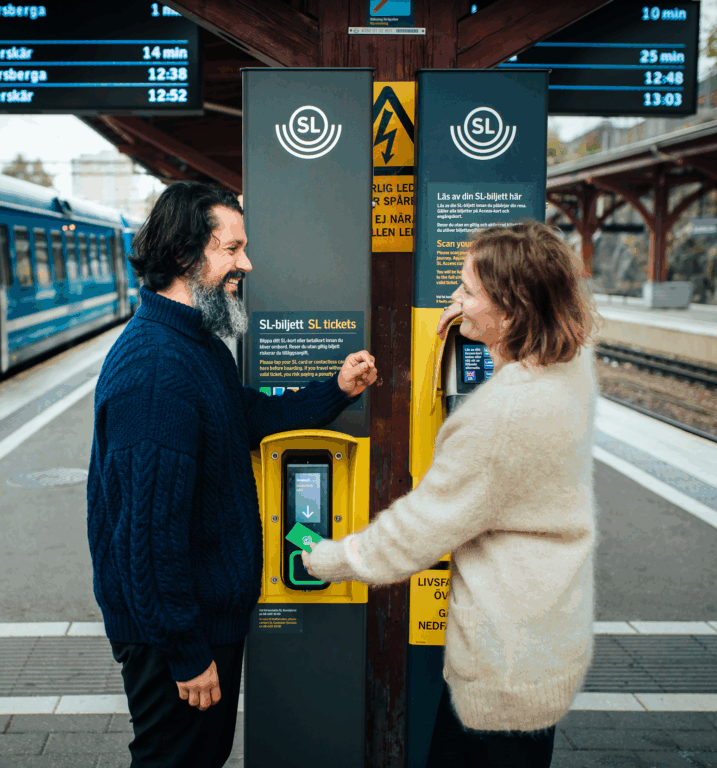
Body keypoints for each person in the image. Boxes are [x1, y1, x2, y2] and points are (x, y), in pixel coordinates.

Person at [87, 181, 377, 768]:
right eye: (231, 249)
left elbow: (246, 418)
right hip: (175, 631)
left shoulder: (196, 345)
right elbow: (146, 537)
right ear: (181, 256)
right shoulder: (155, 373)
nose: (246, 263)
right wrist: (187, 653)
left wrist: (335, 391)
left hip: (199, 618)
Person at [304, 220, 599, 768]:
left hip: (501, 666)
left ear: (510, 310)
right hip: (547, 638)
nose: (454, 299)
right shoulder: (571, 372)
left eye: (466, 290)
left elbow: (418, 530)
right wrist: (480, 335)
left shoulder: (500, 415)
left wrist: (328, 557)